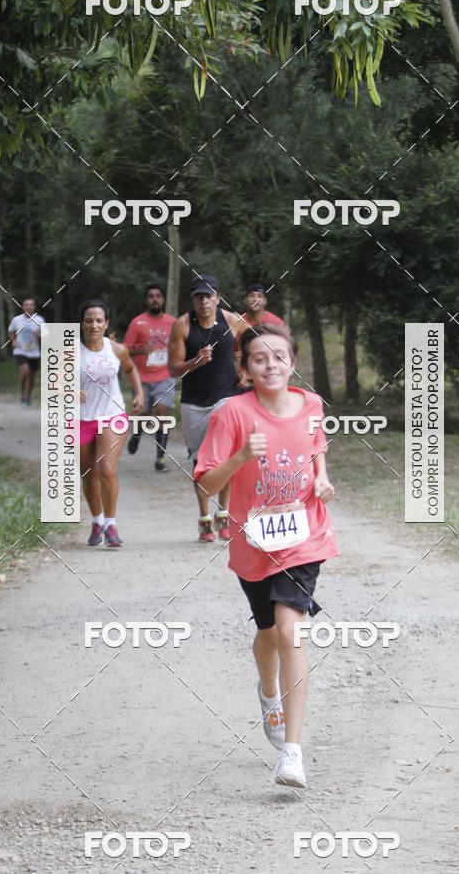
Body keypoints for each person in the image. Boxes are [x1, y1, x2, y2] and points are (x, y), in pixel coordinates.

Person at [194, 323, 339, 788]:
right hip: (253, 541)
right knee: (268, 633)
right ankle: (269, 693)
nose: (271, 364)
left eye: (279, 356)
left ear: (292, 362)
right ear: (244, 369)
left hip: (303, 536)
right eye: (260, 358)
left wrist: (321, 480)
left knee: (290, 632)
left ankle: (293, 754)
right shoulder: (232, 414)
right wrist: (239, 458)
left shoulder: (312, 405)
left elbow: (316, 448)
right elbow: (205, 484)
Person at [168, 274, 248, 542]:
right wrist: (195, 363)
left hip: (227, 397)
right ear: (193, 299)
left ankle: (223, 513)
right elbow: (173, 369)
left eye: (209, 296)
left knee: (225, 457)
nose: (204, 301)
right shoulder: (181, 326)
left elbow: (254, 345)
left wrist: (245, 368)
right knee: (201, 462)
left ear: (218, 297)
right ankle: (205, 516)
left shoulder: (232, 321)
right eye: (199, 296)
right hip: (194, 401)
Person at [79, 300, 143, 548]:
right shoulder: (69, 352)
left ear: (106, 324)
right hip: (81, 418)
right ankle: (96, 522)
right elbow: (55, 383)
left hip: (112, 415)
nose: (93, 325)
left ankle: (111, 525)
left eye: (98, 320)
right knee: (89, 474)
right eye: (88, 320)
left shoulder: (117, 349)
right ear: (82, 324)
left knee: (106, 468)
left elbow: (130, 369)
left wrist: (138, 392)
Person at [123, 284, 176, 471]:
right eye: (151, 296)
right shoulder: (137, 323)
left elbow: (180, 344)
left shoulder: (172, 322)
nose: (155, 299)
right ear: (146, 301)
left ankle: (159, 460)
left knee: (162, 414)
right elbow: (125, 349)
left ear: (162, 300)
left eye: (158, 296)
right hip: (142, 377)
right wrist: (140, 350)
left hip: (165, 376)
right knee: (143, 417)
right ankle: (136, 436)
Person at [8, 298, 46, 407]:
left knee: (32, 376)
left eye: (31, 305)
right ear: (23, 307)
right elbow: (11, 331)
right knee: (25, 372)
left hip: (34, 352)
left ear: (34, 307)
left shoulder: (39, 319)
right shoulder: (16, 320)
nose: (29, 306)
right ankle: (21, 394)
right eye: (26, 305)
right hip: (20, 350)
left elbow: (45, 335)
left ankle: (28, 398)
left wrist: (37, 334)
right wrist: (14, 340)